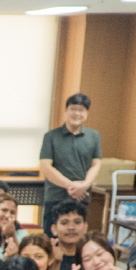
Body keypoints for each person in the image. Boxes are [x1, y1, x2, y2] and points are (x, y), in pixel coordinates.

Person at [38, 92, 102, 229]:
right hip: (56, 196)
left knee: (77, 239)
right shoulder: (51, 136)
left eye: (81, 110)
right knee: (52, 238)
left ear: (86, 113)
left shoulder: (94, 136)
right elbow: (45, 167)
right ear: (66, 111)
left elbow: (96, 164)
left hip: (81, 197)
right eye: (73, 109)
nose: (76, 113)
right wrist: (71, 186)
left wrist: (84, 185)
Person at [50, 199, 88, 270]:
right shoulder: (47, 257)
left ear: (85, 227)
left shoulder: (91, 258)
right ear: (54, 229)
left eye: (77, 222)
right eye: (64, 223)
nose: (71, 227)